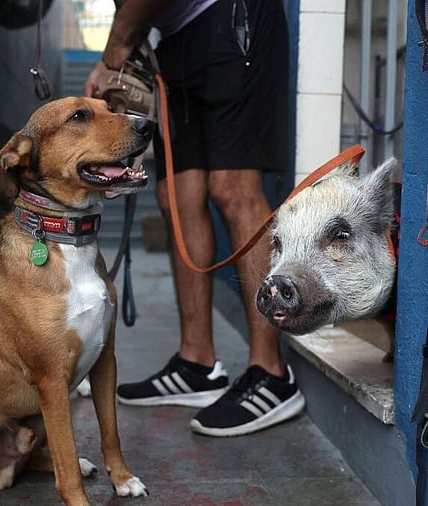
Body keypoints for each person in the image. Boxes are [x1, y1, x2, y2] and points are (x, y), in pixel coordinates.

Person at [85, 0, 304, 437]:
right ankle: (196, 362)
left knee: (232, 187)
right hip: (178, 38)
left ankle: (271, 372)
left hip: (232, 17)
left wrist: (114, 52)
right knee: (175, 195)